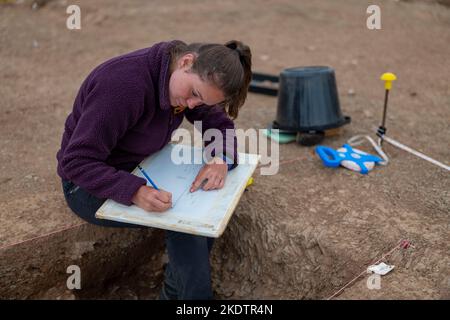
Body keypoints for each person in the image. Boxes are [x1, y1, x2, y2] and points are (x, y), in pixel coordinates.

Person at [56, 39, 252, 299]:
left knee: (208, 204)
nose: (192, 105)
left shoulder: (185, 80)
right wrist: (134, 191)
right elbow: (76, 162)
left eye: (202, 101)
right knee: (185, 222)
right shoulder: (122, 86)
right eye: (194, 94)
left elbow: (217, 123)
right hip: (88, 184)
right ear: (186, 62)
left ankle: (176, 296)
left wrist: (221, 159)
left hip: (145, 165)